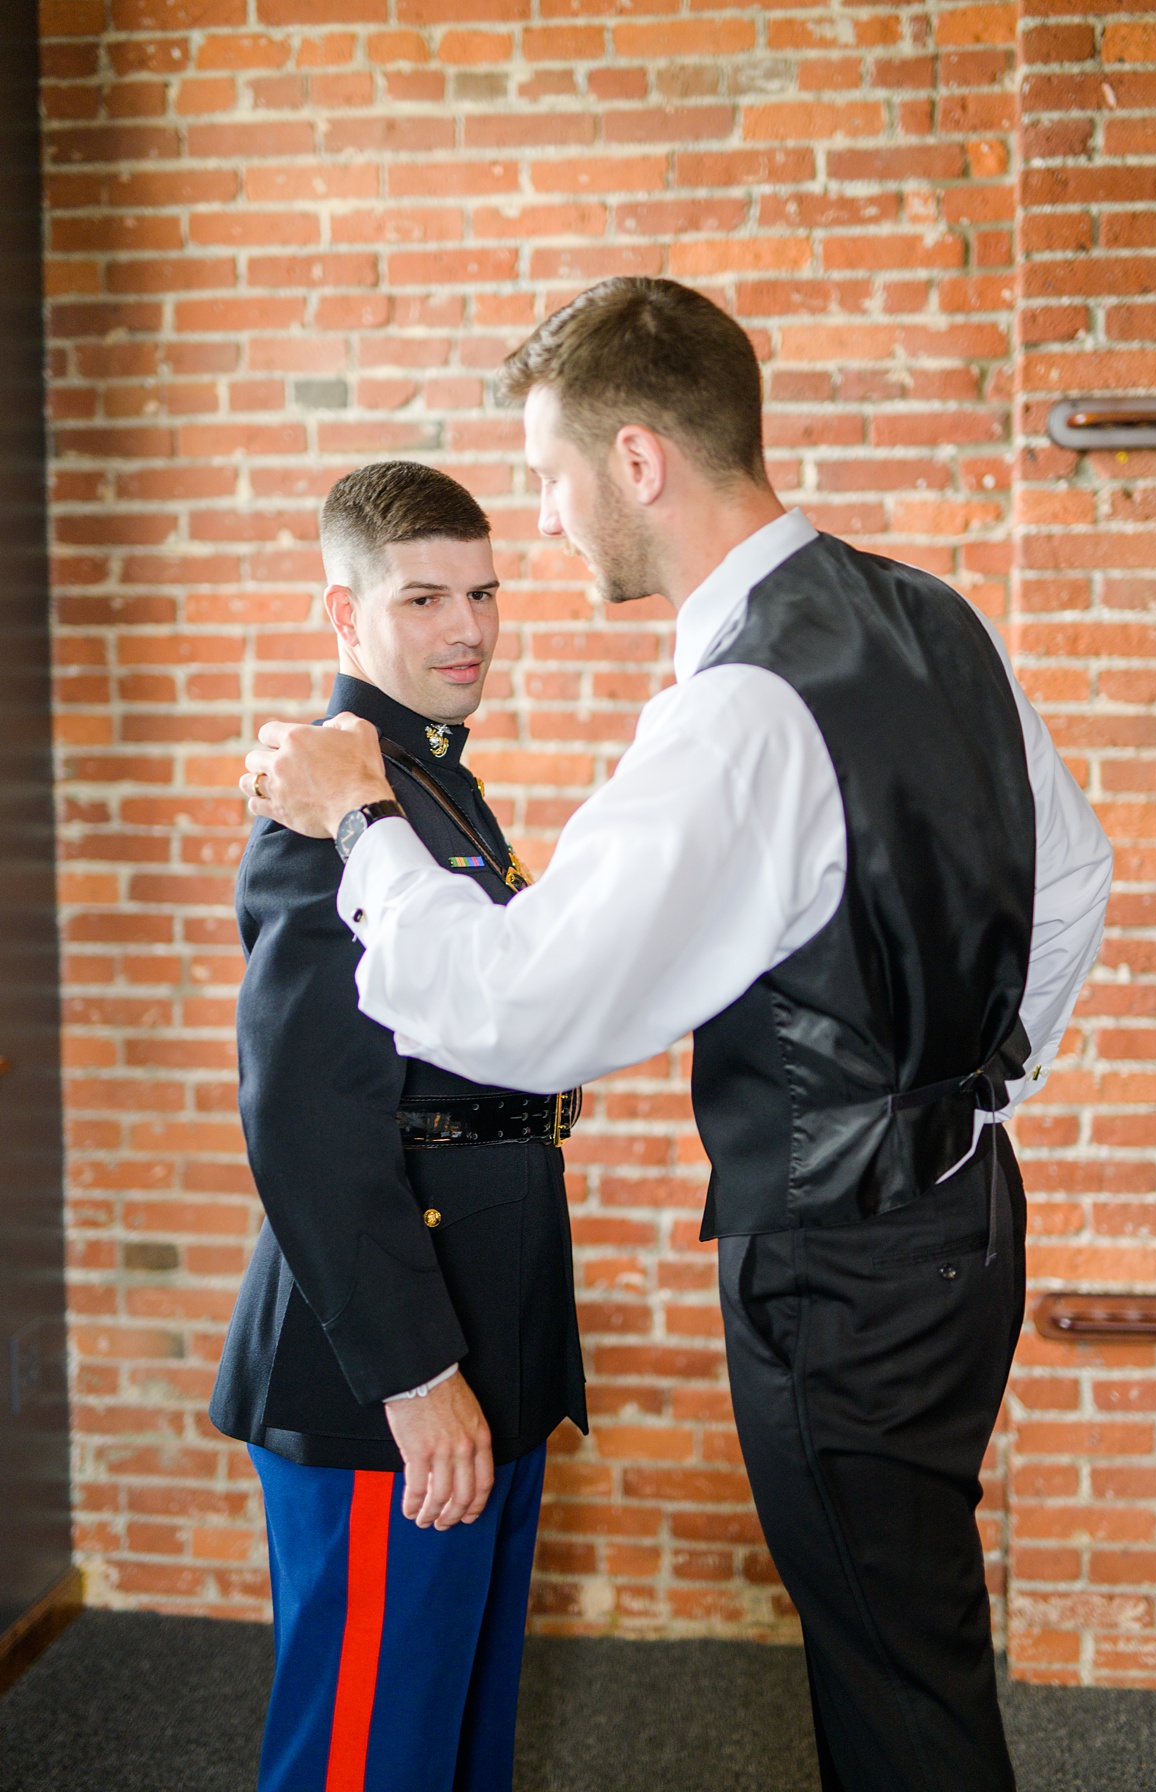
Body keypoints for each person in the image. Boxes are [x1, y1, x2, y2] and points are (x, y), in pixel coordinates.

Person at [241, 278, 1115, 1792]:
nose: (550, 522)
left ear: (635, 460)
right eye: (429, 592)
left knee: (894, 1669)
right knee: (905, 1633)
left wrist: (365, 819)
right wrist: (957, 1094)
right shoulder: (929, 613)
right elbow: (1076, 880)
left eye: (550, 479)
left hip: (843, 1255)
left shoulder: (736, 709)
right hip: (967, 1218)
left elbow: (520, 1012)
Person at [212, 461, 586, 1792]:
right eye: (423, 596)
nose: (466, 627)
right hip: (390, 1348)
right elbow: (307, 1118)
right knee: (370, 1749)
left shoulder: (428, 788)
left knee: (452, 1729)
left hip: (483, 1306)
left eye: (482, 591)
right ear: (344, 614)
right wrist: (417, 1375)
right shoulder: (325, 808)